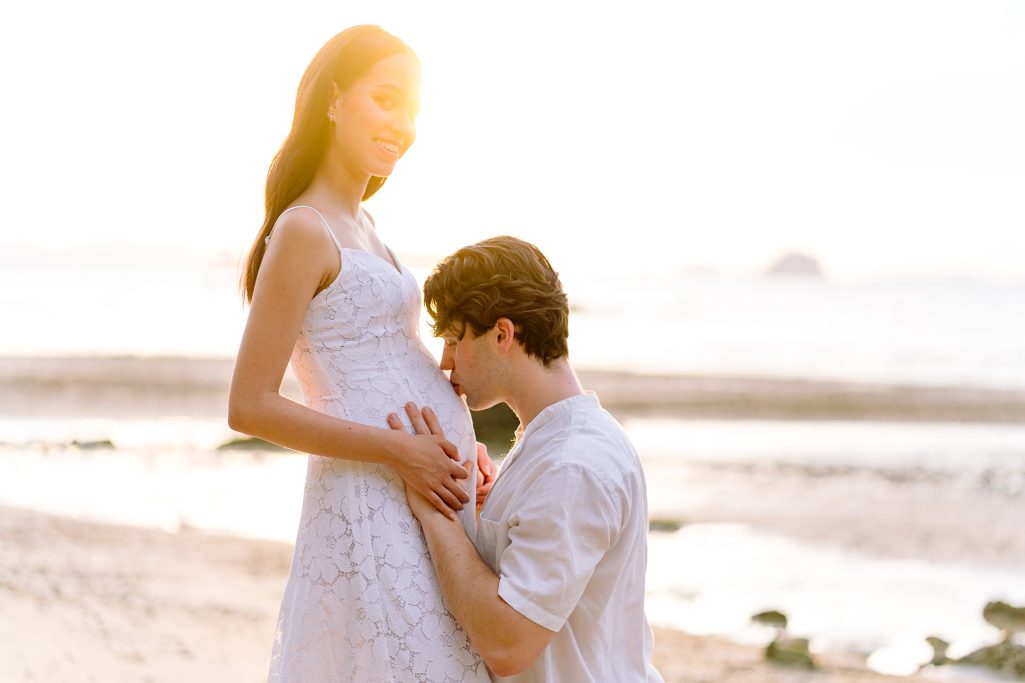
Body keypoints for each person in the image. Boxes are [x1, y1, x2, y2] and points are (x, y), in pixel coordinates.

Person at [227, 25, 492, 682]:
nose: (401, 125)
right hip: (366, 495)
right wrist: (399, 449)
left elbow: (394, 361)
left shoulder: (368, 229)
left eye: (412, 110)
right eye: (386, 99)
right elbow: (249, 405)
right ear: (334, 99)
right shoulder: (303, 229)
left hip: (420, 490)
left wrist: (464, 443)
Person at [387, 236, 664, 682]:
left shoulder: (572, 466)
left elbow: (507, 644)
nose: (445, 361)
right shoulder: (556, 444)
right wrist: (479, 511)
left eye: (456, 339)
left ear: (501, 334)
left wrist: (432, 508)